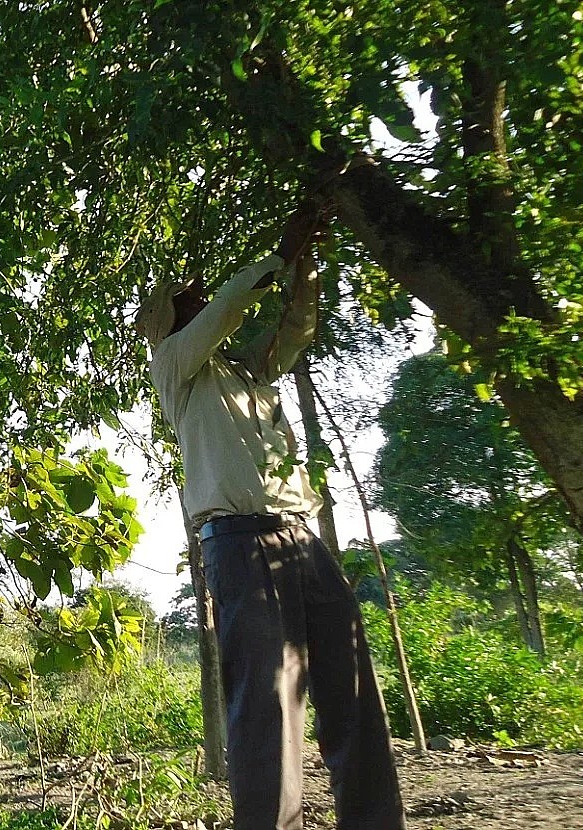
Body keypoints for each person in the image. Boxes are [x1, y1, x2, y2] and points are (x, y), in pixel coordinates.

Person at [135, 202, 407, 830]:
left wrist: (303, 267)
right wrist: (277, 255)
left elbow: (296, 328)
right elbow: (231, 307)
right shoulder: (174, 366)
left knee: (352, 687)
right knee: (266, 705)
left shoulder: (244, 373)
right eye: (190, 300)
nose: (204, 301)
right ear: (172, 320)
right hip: (238, 546)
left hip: (300, 541)